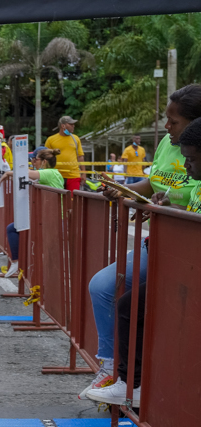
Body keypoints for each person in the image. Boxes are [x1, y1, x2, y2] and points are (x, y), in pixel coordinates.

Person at [87, 84, 201, 401]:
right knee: (104, 287)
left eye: (173, 121)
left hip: (185, 251)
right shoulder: (168, 143)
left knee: (141, 307)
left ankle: (139, 385)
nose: (166, 127)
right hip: (163, 244)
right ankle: (113, 370)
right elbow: (152, 184)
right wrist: (125, 192)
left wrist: (169, 211)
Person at [0, 148, 64, 278]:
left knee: (13, 229)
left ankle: (19, 263)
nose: (33, 162)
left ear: (44, 161)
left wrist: (9, 173)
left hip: (52, 218)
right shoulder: (50, 173)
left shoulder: (49, 173)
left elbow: (27, 174)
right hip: (50, 216)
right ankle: (28, 267)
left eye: (36, 159)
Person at [44, 115, 84, 192]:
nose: (73, 126)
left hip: (73, 175)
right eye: (71, 124)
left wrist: (84, 173)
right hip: (56, 175)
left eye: (73, 124)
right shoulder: (51, 140)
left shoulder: (75, 139)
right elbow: (46, 157)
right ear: (63, 126)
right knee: (57, 200)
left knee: (73, 200)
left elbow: (80, 156)